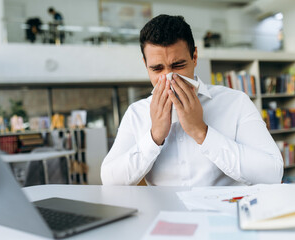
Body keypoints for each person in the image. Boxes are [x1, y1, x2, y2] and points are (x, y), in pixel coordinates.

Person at [100, 14, 283, 186]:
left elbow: (272, 173)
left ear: (194, 57)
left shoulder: (235, 102)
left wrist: (201, 132)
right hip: (164, 218)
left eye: (178, 65)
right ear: (145, 66)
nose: (168, 77)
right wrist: (154, 136)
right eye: (157, 69)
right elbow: (110, 180)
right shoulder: (136, 113)